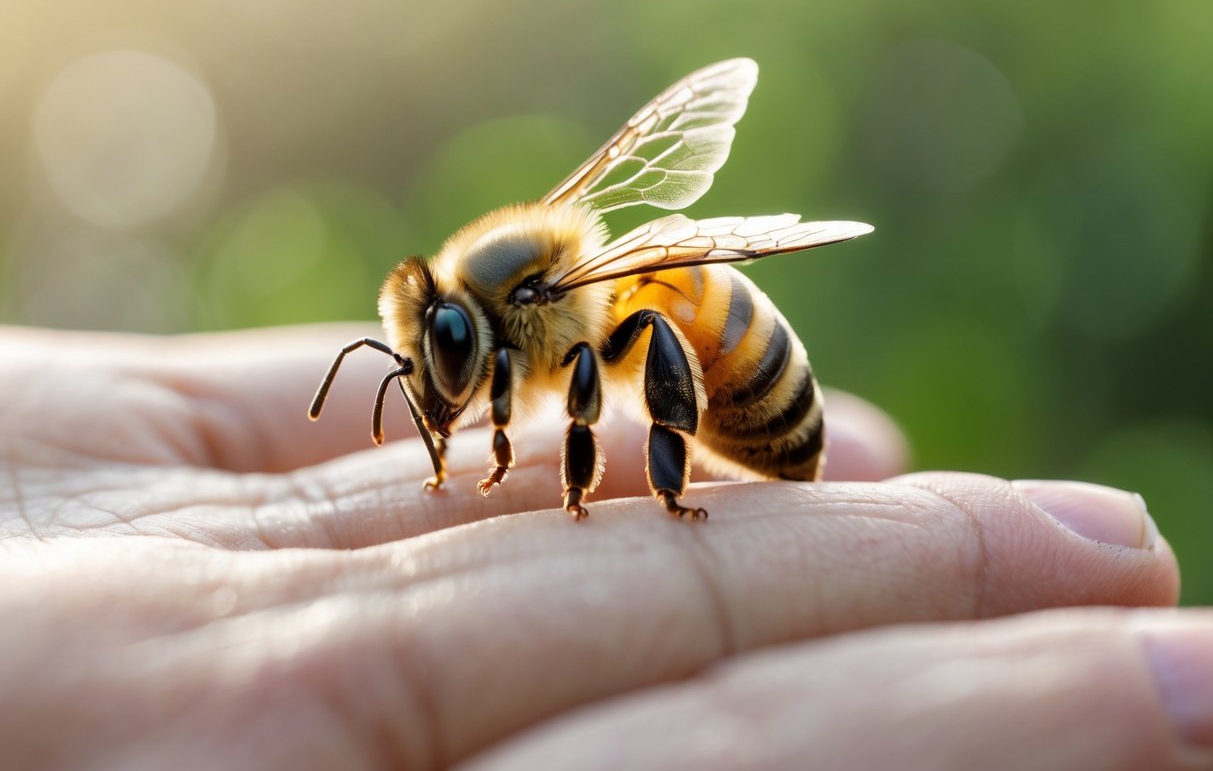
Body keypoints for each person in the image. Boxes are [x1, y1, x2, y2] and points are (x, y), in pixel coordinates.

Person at [0, 323, 1206, 770]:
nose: (442, 386)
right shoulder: (491, 324)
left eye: (451, 362)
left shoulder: (564, 314)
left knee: (621, 358)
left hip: (735, 378)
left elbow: (594, 367)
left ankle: (667, 483)